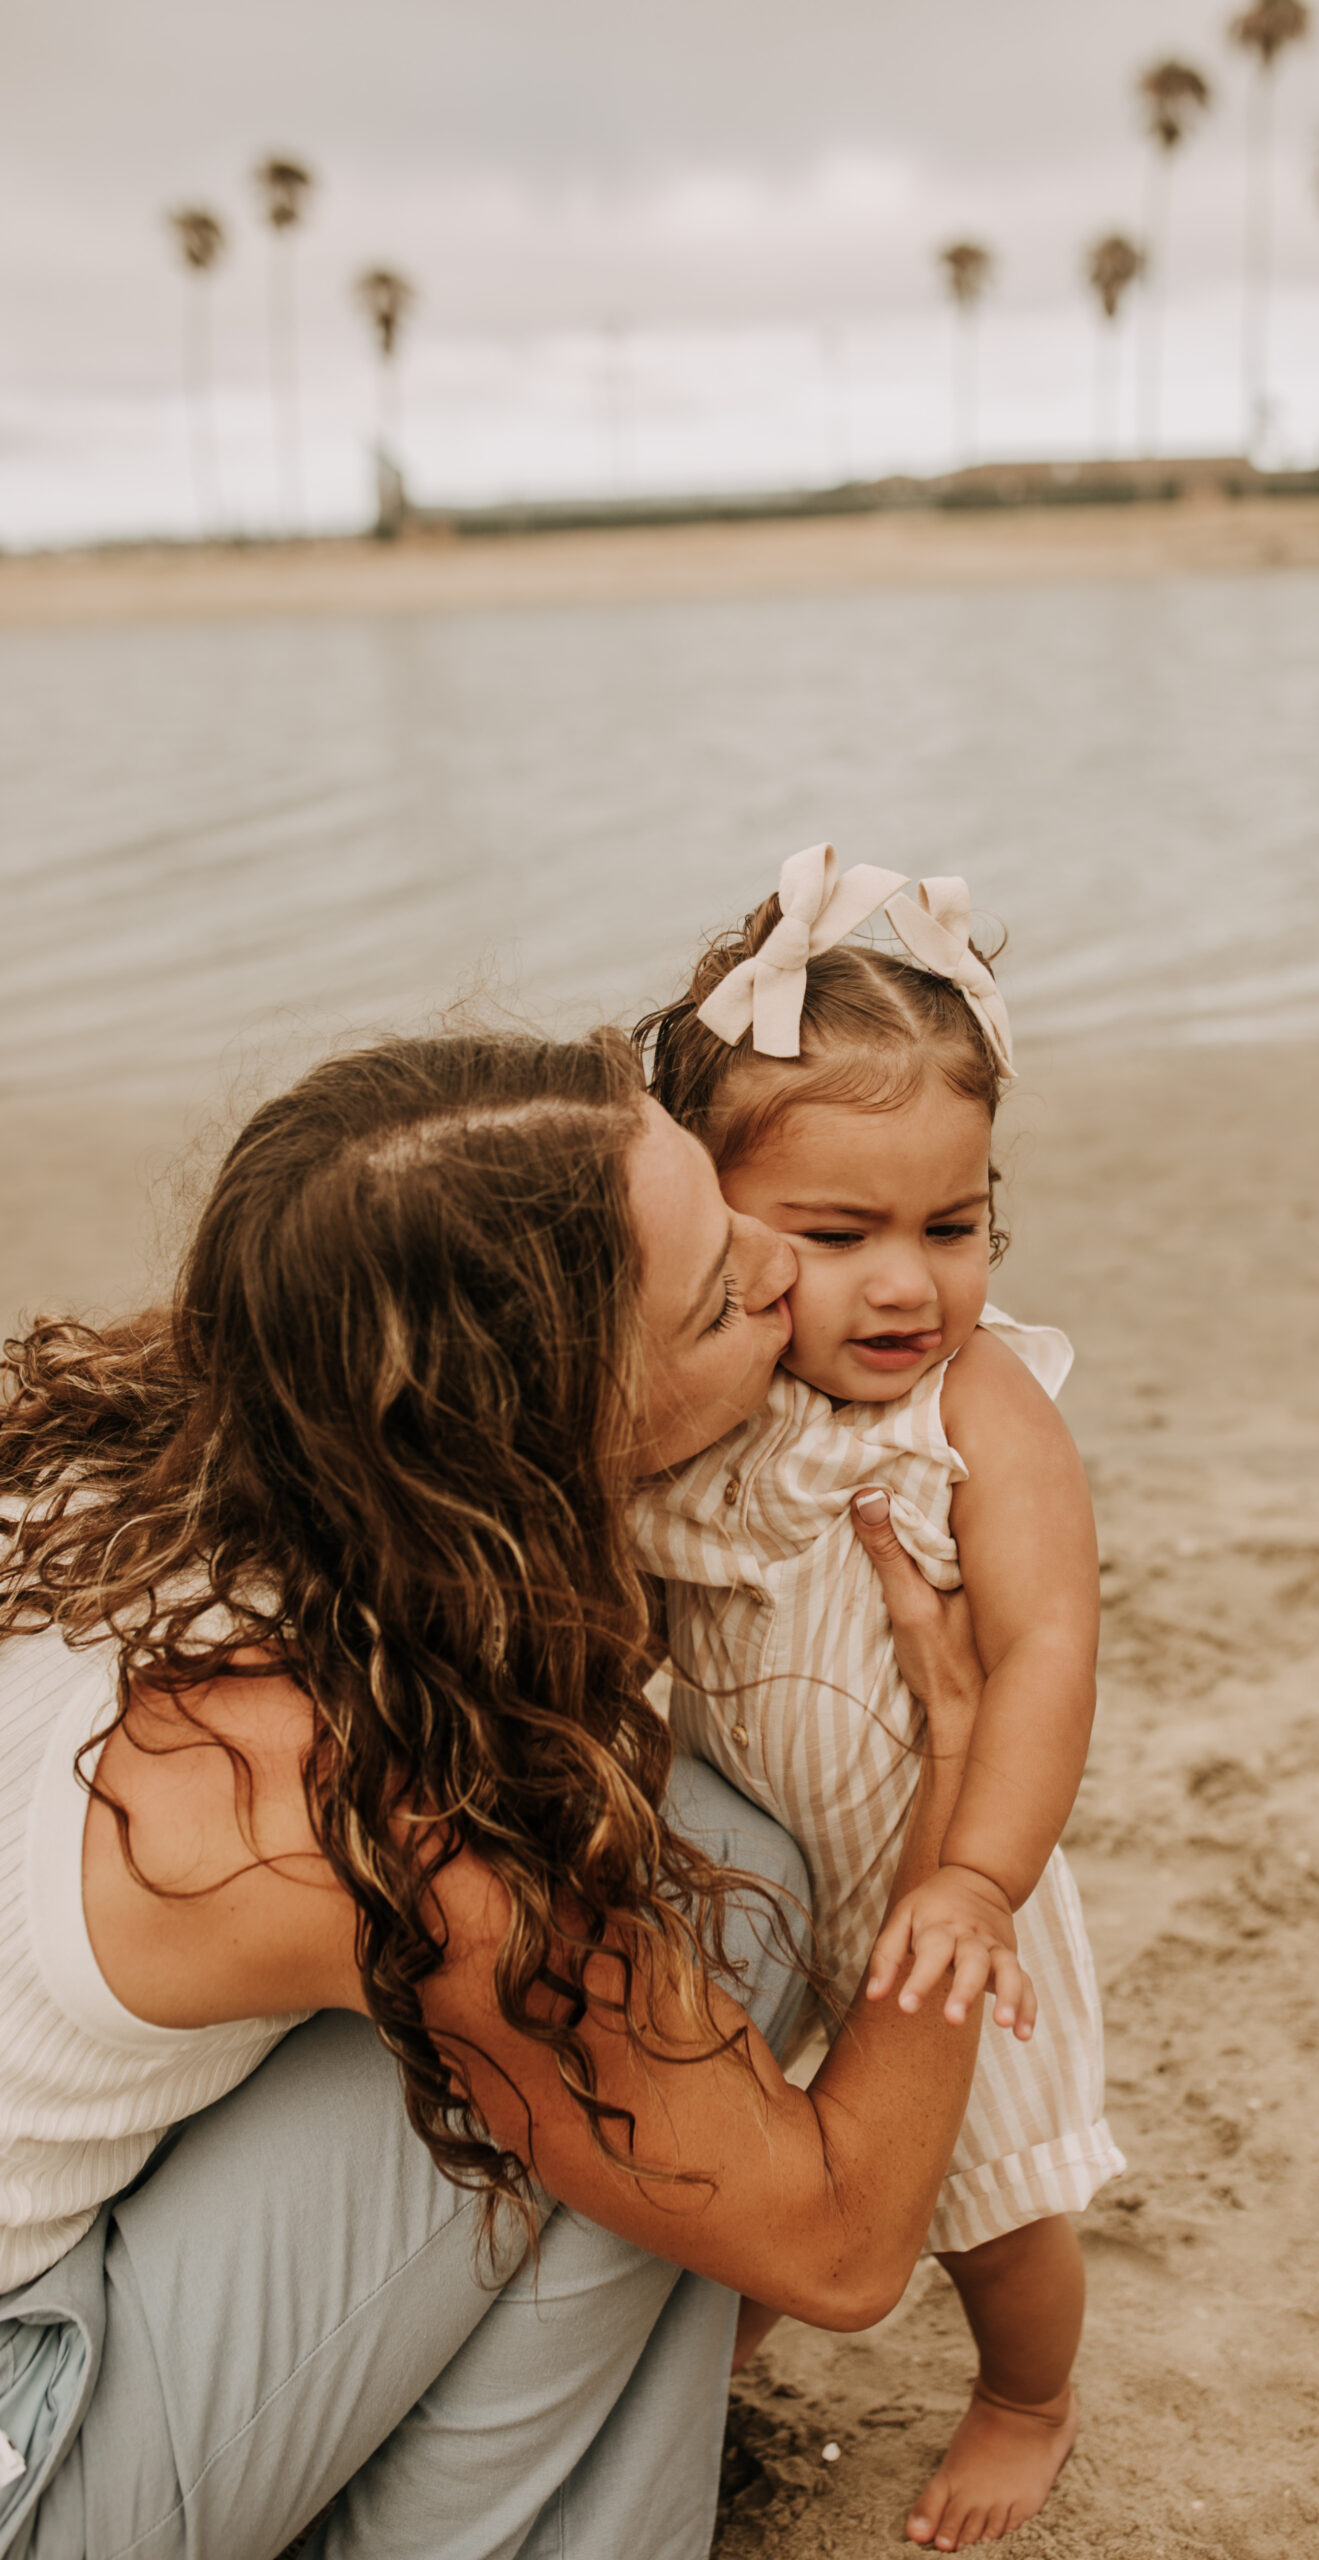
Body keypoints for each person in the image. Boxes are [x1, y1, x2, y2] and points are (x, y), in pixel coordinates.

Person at [0, 1025, 996, 2560]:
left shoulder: (136, 1446)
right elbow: (845, 2246)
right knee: (702, 1926)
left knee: (659, 1901)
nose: (782, 1267)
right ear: (542, 1437)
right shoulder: (361, 1793)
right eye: (725, 1291)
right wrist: (956, 1773)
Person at [630, 849, 1122, 2554]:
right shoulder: (710, 1391)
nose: (908, 1284)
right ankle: (737, 2326)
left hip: (940, 1892)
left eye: (953, 1226)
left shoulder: (984, 1407)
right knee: (749, 2148)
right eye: (839, 1237)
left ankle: (1024, 2394)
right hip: (758, 1861)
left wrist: (978, 1879)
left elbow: (1050, 1646)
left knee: (990, 2197)